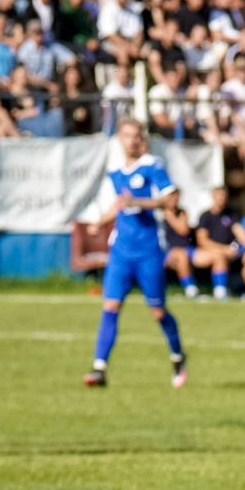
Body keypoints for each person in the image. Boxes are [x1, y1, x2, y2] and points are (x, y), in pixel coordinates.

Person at [82, 118, 187, 389]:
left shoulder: (152, 166)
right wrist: (101, 222)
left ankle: (177, 355)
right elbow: (120, 206)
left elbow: (171, 199)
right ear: (119, 138)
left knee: (157, 311)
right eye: (127, 136)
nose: (132, 141)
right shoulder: (116, 171)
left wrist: (140, 202)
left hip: (149, 250)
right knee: (111, 306)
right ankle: (99, 367)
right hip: (121, 252)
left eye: (136, 136)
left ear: (142, 139)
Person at [189, 186, 245, 301]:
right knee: (219, 256)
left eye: (224, 196)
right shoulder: (206, 216)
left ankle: (243, 290)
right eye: (219, 196)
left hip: (230, 251)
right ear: (213, 198)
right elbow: (202, 241)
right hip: (208, 252)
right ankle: (220, 291)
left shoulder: (231, 214)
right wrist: (224, 249)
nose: (221, 199)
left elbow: (240, 232)